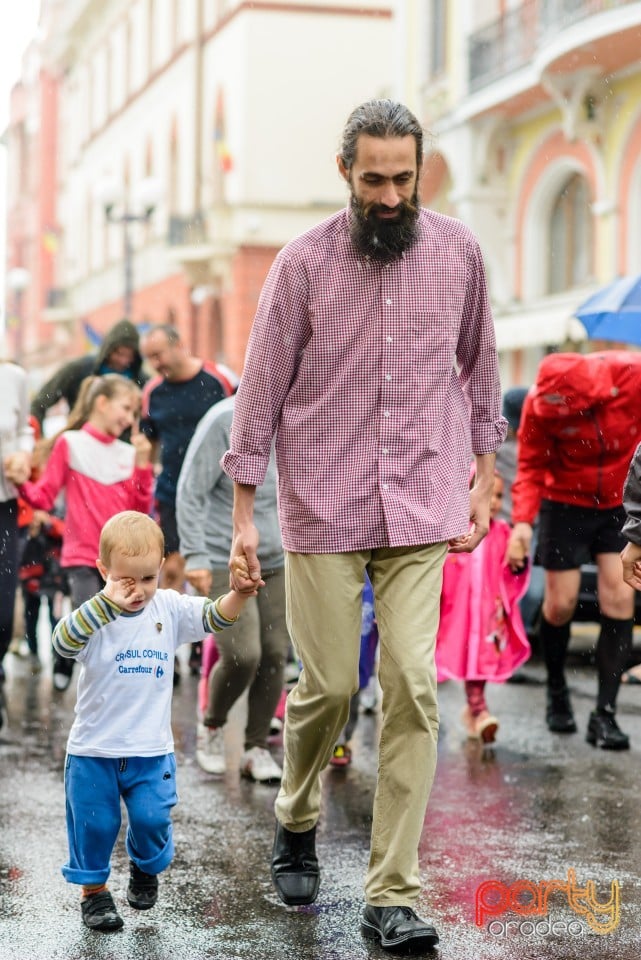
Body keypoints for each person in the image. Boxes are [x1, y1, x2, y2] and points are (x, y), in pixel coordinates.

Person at [222, 98, 506, 954]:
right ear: (344, 171)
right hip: (324, 501)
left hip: (423, 496)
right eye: (374, 178)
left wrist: (487, 467)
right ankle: (297, 811)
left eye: (404, 179)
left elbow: (480, 359)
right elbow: (261, 383)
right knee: (332, 687)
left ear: (419, 172)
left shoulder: (457, 249)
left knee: (414, 687)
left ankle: (393, 891)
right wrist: (242, 511)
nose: (390, 196)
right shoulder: (302, 263)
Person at [51, 510, 257, 932]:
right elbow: (63, 641)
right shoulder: (96, 614)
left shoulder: (168, 607)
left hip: (150, 750)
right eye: (127, 580)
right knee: (95, 824)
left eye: (148, 578)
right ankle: (93, 893)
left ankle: (144, 866)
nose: (139, 590)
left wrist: (238, 594)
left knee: (152, 819)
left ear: (161, 569)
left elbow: (214, 617)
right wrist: (106, 603)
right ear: (104, 570)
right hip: (94, 750)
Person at [507, 350, 641, 750]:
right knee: (559, 605)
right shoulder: (538, 402)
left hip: (621, 504)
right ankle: (556, 690)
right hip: (564, 501)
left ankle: (605, 714)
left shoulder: (633, 379)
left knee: (619, 599)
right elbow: (529, 466)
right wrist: (521, 525)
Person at [5, 374, 153, 691]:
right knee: (91, 625)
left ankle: (102, 688)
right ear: (101, 403)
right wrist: (18, 482)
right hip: (82, 556)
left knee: (117, 631)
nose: (129, 418)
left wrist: (142, 466)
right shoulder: (70, 443)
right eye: (125, 408)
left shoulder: (128, 454)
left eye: (133, 413)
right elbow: (44, 496)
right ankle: (74, 669)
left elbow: (138, 512)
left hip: (121, 560)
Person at [176, 394, 288, 782]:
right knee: (243, 653)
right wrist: (195, 555)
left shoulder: (302, 413)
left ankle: (255, 748)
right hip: (227, 554)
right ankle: (213, 724)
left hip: (279, 556)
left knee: (275, 653)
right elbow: (191, 491)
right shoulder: (224, 419)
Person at [436, 470, 531, 743]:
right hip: (458, 615)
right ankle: (474, 711)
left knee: (480, 662)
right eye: (488, 494)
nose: (493, 502)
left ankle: (477, 710)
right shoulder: (453, 533)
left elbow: (512, 572)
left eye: (499, 496)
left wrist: (518, 561)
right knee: (457, 660)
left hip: (487, 616)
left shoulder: (503, 533)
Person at [30, 319, 147, 428]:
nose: (123, 360)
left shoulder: (141, 381)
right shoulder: (79, 369)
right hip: (80, 441)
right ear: (108, 350)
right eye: (119, 353)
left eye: (129, 355)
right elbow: (40, 403)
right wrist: (38, 437)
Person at [0, 360, 34, 727]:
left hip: (3, 506)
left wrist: (23, 453)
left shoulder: (13, 378)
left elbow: (25, 429)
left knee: (3, 613)